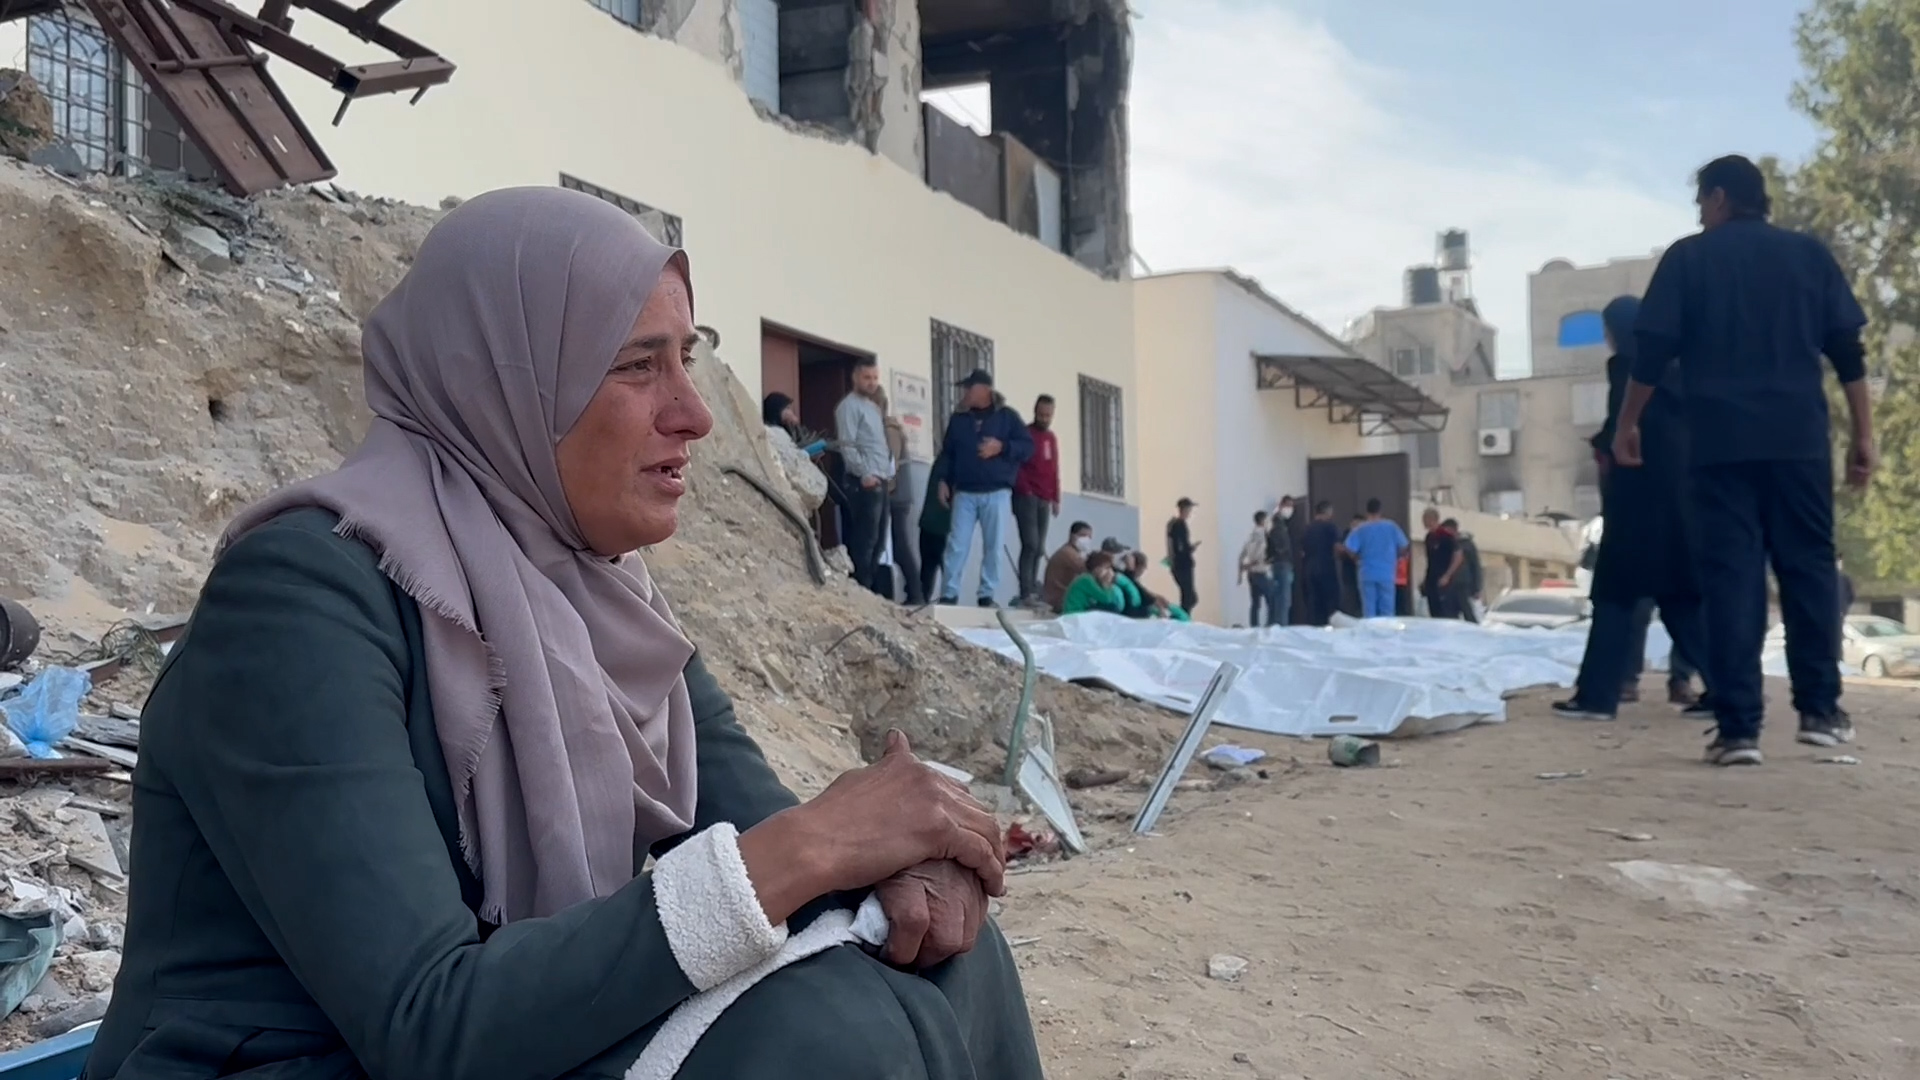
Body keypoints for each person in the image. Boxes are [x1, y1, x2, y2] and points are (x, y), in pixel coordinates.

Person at [83, 189, 1042, 1080]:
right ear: (506, 382)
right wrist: (819, 846)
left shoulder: (598, 596)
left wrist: (915, 862)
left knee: (949, 963)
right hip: (306, 1061)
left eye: (688, 360)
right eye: (638, 366)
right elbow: (428, 1020)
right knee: (826, 1037)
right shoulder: (299, 602)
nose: (694, 415)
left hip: (506, 1038)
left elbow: (761, 826)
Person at [1615, 154, 1873, 764]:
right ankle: (1820, 711)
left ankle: (1738, 730)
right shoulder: (1807, 255)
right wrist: (1864, 434)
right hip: (1798, 441)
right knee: (1809, 568)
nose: (1700, 216)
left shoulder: (1688, 259)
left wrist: (1627, 423)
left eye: (1701, 204)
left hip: (1719, 445)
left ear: (1719, 197)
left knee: (1731, 578)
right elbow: (1847, 351)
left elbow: (1651, 352)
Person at [1558, 295, 1714, 732]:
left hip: (1636, 508)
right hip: (1678, 509)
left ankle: (1597, 695)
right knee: (1681, 602)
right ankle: (1728, 689)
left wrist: (1605, 444)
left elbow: (1623, 434)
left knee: (1614, 599)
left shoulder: (1631, 370)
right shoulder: (1678, 371)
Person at [934, 370, 1033, 607]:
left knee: (993, 547)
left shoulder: (1007, 417)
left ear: (985, 390)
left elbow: (1028, 448)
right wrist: (943, 480)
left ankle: (986, 595)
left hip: (996, 491)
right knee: (956, 544)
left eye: (970, 388)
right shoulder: (958, 419)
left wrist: (1002, 447)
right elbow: (947, 453)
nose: (965, 393)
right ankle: (949, 593)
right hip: (964, 492)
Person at [833, 357, 892, 594]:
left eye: (875, 378)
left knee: (879, 542)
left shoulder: (873, 408)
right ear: (855, 377)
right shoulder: (849, 406)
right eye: (867, 377)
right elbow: (847, 444)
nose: (872, 382)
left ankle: (869, 591)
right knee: (863, 542)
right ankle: (860, 590)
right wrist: (864, 473)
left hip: (880, 479)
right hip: (863, 482)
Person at [1012, 394, 1060, 606]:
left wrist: (1056, 497)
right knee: (1030, 543)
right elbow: (1017, 465)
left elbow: (1054, 468)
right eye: (1041, 414)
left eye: (1048, 415)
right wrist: (1026, 490)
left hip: (1045, 498)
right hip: (1027, 496)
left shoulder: (1051, 438)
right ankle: (1026, 591)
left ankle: (1032, 587)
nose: (1044, 418)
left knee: (1039, 547)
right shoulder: (1025, 434)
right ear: (1035, 411)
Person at [881, 399, 923, 605]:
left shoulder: (890, 430)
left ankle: (915, 593)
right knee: (896, 546)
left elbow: (892, 464)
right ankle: (914, 591)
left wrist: (885, 489)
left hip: (896, 496)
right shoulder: (887, 428)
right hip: (896, 495)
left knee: (900, 546)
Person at [1344, 499, 1409, 619]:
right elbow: (1404, 546)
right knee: (1387, 610)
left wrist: (1357, 559)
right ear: (1380, 510)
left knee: (1369, 610)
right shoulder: (1391, 526)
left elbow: (1349, 548)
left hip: (1366, 572)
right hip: (1386, 573)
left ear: (1367, 512)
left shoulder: (1360, 528)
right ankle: (1387, 630)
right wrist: (1395, 556)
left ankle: (1370, 630)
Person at [1300, 501, 1342, 626]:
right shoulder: (1330, 527)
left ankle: (1314, 627)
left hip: (1309, 569)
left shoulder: (1307, 529)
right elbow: (1337, 547)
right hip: (1326, 568)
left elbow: (1302, 551)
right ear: (1328, 512)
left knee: (1313, 602)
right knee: (1330, 602)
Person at [917, 454, 951, 605]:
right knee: (943, 567)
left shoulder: (941, 462)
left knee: (928, 568)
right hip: (943, 525)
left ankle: (923, 598)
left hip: (929, 523)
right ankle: (947, 598)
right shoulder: (953, 463)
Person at [1419, 508, 1464, 619]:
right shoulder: (1429, 537)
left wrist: (1447, 575)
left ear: (1432, 519)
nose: (1423, 522)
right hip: (1432, 579)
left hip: (1444, 579)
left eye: (1425, 519)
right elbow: (1430, 560)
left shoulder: (1446, 536)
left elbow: (1458, 556)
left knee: (1445, 612)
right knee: (1434, 611)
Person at [1041, 521, 1093, 613]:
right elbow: (1088, 570)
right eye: (1083, 535)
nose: (1086, 540)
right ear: (1072, 536)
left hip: (1060, 597)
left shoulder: (1071, 552)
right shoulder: (1068, 553)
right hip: (1058, 599)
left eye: (1089, 537)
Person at [1236, 510, 1274, 627]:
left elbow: (1242, 555)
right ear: (1263, 520)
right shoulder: (1263, 535)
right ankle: (1270, 625)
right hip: (1261, 570)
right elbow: (1261, 551)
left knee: (1255, 603)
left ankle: (1254, 626)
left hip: (1251, 573)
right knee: (1271, 600)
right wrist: (1258, 561)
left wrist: (1240, 573)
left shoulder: (1251, 535)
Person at [1061, 551, 1126, 615]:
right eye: (1106, 568)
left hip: (1079, 611)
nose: (1109, 572)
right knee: (1112, 608)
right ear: (1097, 569)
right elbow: (1106, 599)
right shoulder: (1086, 580)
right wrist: (1106, 583)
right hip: (1074, 613)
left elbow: (1109, 598)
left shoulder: (1089, 578)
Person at [1266, 496, 1297, 627]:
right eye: (1287, 505)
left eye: (1292, 506)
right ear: (1281, 505)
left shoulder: (1281, 523)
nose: (1290, 509)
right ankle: (1281, 627)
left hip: (1281, 563)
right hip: (1281, 563)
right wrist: (1281, 552)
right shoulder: (1276, 523)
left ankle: (1276, 625)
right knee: (1283, 600)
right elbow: (1278, 544)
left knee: (1279, 599)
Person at [1166, 498, 1200, 614]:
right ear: (1184, 509)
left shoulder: (1173, 524)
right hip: (1183, 564)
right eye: (1189, 509)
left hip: (1179, 563)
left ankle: (1183, 616)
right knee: (1189, 597)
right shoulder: (1179, 525)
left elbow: (1173, 545)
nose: (1190, 512)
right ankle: (1182, 617)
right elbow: (1180, 547)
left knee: (1189, 597)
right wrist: (1191, 548)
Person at [1447, 519, 1483, 623]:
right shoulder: (1448, 544)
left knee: (1467, 611)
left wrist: (1477, 588)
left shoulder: (1466, 544)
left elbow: (1475, 565)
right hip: (1450, 585)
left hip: (1463, 583)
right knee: (1451, 613)